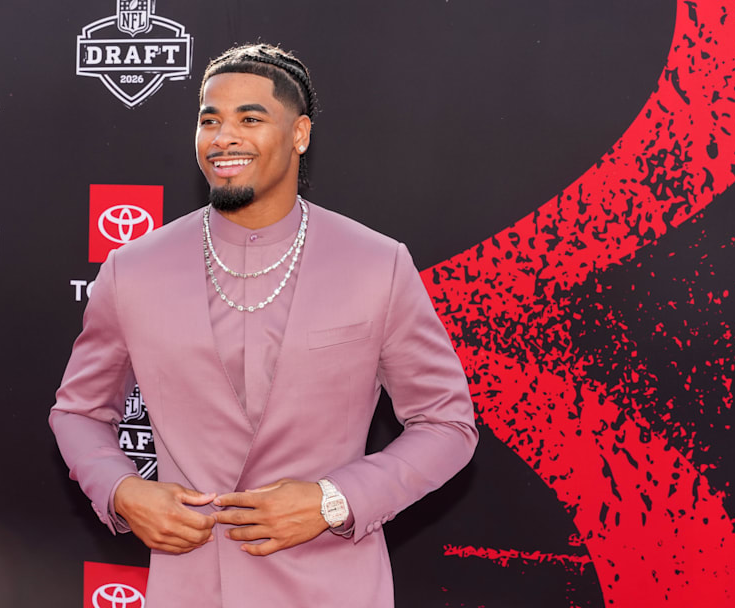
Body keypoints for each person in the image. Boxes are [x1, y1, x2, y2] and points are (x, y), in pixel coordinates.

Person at [50, 43, 478, 607]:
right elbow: (79, 411)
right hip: (190, 587)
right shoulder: (133, 269)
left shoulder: (378, 263)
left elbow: (447, 424)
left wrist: (334, 500)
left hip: (333, 588)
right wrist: (123, 490)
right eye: (210, 120)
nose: (224, 137)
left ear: (300, 134)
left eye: (250, 118)